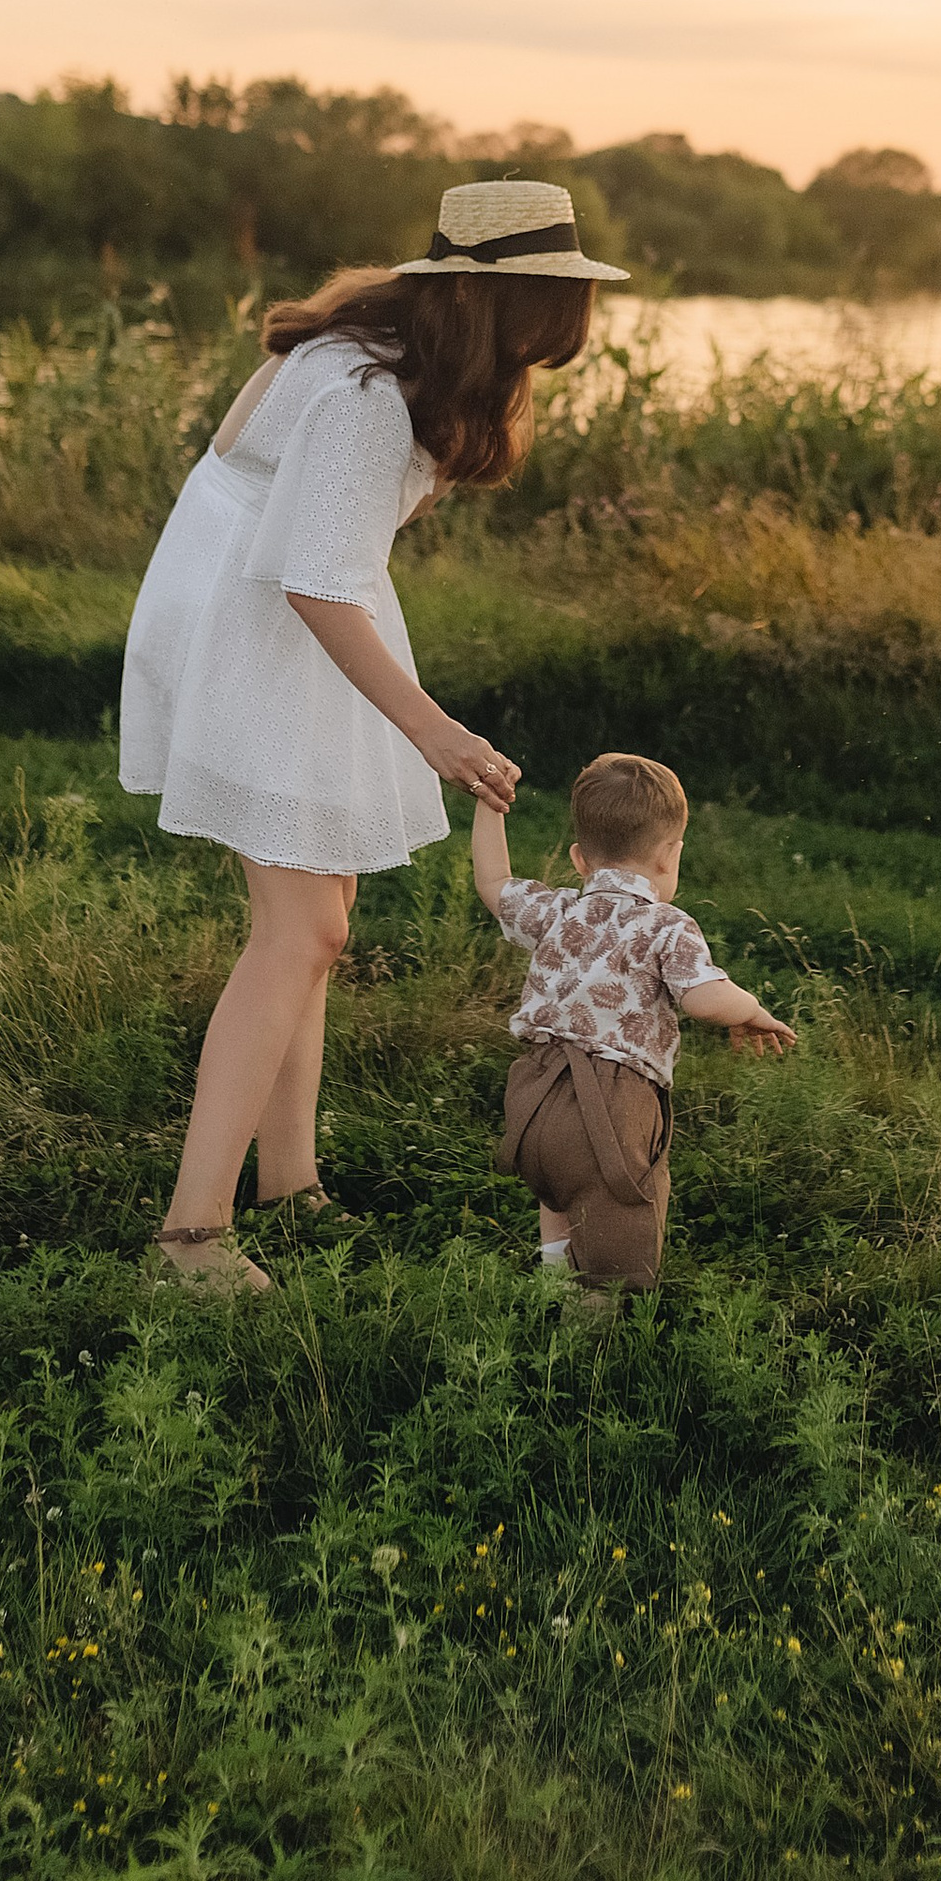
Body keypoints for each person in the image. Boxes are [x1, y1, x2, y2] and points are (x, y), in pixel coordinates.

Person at [121, 176, 625, 1291]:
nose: (547, 356)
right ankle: (189, 1239)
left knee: (320, 914)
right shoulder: (363, 388)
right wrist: (434, 732)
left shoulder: (375, 341)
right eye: (545, 328)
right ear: (504, 304)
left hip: (264, 603)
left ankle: (290, 1184)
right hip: (262, 623)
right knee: (297, 931)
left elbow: (238, 462)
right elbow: (311, 581)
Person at [475, 748, 796, 1291]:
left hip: (533, 1096)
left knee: (558, 1189)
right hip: (612, 1103)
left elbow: (494, 882)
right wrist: (753, 1010)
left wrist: (490, 803)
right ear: (670, 858)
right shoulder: (667, 926)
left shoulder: (557, 911)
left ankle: (554, 1284)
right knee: (622, 1227)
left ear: (579, 859)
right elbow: (702, 995)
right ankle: (594, 1334)